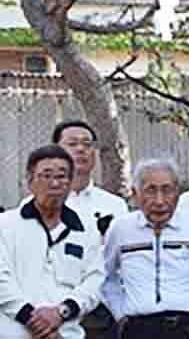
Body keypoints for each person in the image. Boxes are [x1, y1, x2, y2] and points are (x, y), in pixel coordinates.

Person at [102, 158, 189, 339]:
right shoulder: (121, 227)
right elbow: (105, 276)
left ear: (177, 192)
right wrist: (120, 312)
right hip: (139, 327)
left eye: (167, 190)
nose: (160, 200)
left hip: (188, 326)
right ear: (135, 194)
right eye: (151, 190)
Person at [0, 145, 105, 339]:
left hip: (66, 334)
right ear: (29, 182)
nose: (55, 183)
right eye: (46, 176)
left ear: (71, 182)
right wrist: (33, 320)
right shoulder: (5, 225)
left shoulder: (87, 230)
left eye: (62, 176)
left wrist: (62, 312)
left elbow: (95, 280)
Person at [51, 120, 129, 339]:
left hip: (103, 307)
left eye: (87, 144)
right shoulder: (37, 204)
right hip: (54, 305)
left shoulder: (115, 205)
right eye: (72, 143)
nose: (81, 150)